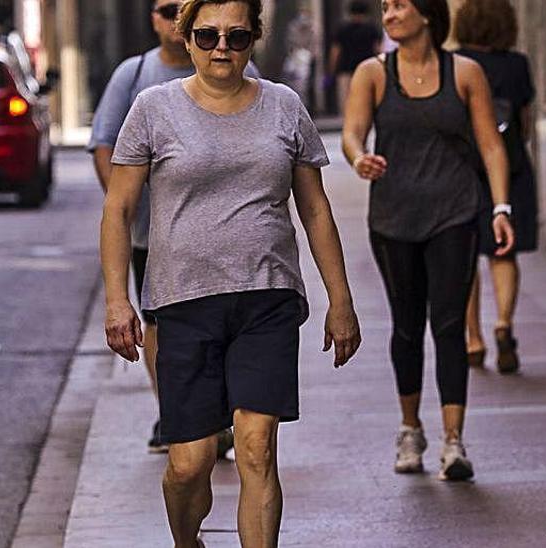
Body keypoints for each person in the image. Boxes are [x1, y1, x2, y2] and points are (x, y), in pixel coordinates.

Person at [100, 1, 362, 546]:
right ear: (187, 38)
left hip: (266, 298)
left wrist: (341, 299)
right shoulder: (153, 107)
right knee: (189, 465)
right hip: (182, 302)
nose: (222, 47)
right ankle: (187, 539)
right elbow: (120, 209)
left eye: (237, 36)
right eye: (209, 35)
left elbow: (314, 209)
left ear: (254, 40)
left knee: (256, 447)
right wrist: (117, 300)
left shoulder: (284, 107)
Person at [341, 0, 515, 482]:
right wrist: (359, 159)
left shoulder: (465, 72)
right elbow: (352, 134)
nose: (389, 14)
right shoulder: (372, 74)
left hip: (454, 214)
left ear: (427, 15)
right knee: (406, 325)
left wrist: (500, 207)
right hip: (393, 218)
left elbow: (490, 144)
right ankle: (411, 428)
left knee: (449, 324)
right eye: (385, 7)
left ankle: (453, 441)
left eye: (399, 6)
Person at [89, 0, 257, 455]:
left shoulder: (239, 65)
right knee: (159, 325)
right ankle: (175, 414)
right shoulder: (135, 75)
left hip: (222, 240)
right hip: (151, 233)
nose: (172, 17)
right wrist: (124, 201)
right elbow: (103, 142)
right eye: (165, 9)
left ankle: (217, 413)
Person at [453, 0, 538, 374]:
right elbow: (526, 121)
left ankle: (473, 339)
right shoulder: (516, 65)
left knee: (465, 256)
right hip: (512, 165)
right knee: (505, 252)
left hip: (464, 169)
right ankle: (503, 323)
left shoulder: (455, 64)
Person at [328, 1, 381, 115]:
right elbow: (378, 49)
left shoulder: (342, 29)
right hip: (368, 68)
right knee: (367, 96)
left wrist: (332, 69)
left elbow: (335, 51)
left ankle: (349, 121)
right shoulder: (371, 28)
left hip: (345, 68)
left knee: (346, 99)